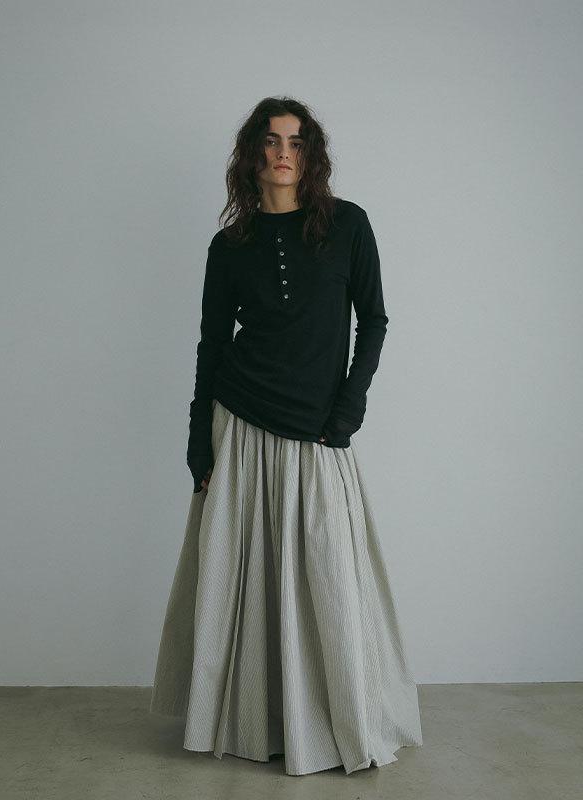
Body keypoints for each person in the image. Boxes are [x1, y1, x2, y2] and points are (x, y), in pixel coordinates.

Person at [149, 96, 423, 776]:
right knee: (242, 580)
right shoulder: (229, 246)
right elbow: (212, 345)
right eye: (271, 141)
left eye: (296, 143)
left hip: (318, 428)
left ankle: (335, 723)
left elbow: (374, 320)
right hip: (240, 420)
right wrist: (198, 439)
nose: (283, 153)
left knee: (328, 578)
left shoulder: (348, 225)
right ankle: (255, 722)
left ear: (311, 155)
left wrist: (349, 408)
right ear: (252, 153)